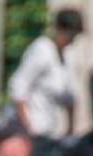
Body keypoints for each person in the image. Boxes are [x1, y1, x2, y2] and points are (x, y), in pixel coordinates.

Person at [7, 7, 82, 142]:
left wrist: (70, 130)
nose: (71, 40)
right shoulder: (42, 49)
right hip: (29, 132)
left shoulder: (68, 54)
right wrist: (27, 127)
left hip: (48, 131)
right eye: (69, 35)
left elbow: (69, 96)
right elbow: (18, 86)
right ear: (58, 28)